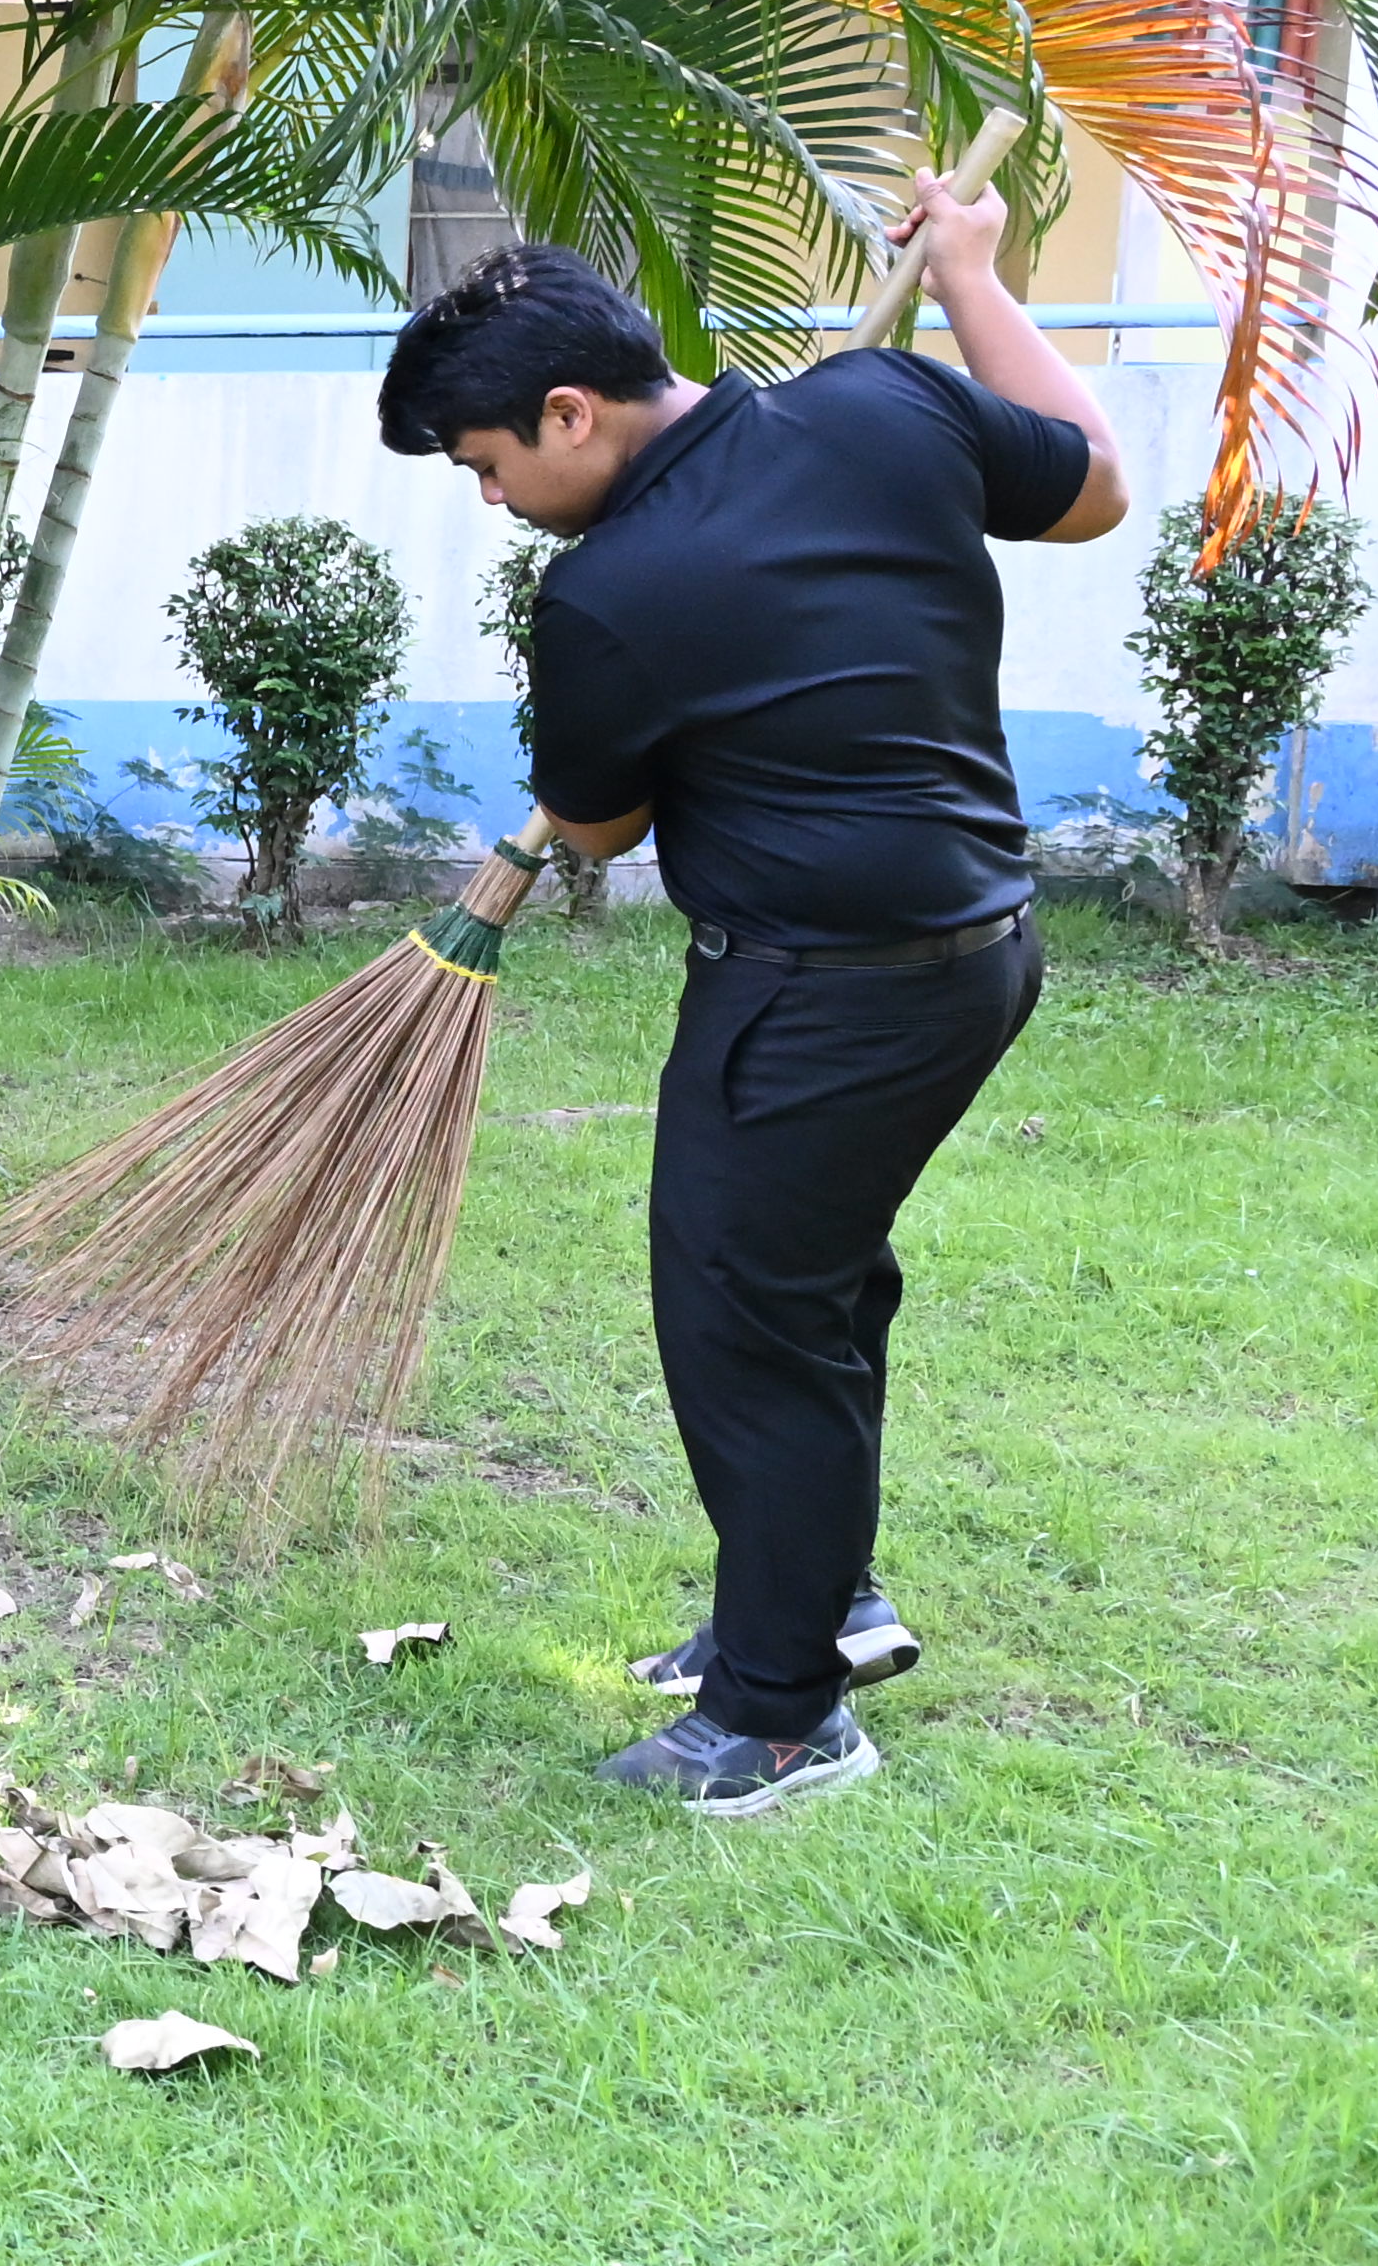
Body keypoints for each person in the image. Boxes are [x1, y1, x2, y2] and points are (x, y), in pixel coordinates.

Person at [375, 177, 1125, 1814]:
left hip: (814, 996)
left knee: (742, 1315)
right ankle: (812, 1604)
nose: (495, 505)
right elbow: (1090, 491)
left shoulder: (605, 594)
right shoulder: (886, 403)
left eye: (490, 467)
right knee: (813, 1286)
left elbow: (595, 824)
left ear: (568, 412)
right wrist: (977, 280)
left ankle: (777, 1714)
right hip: (974, 954)